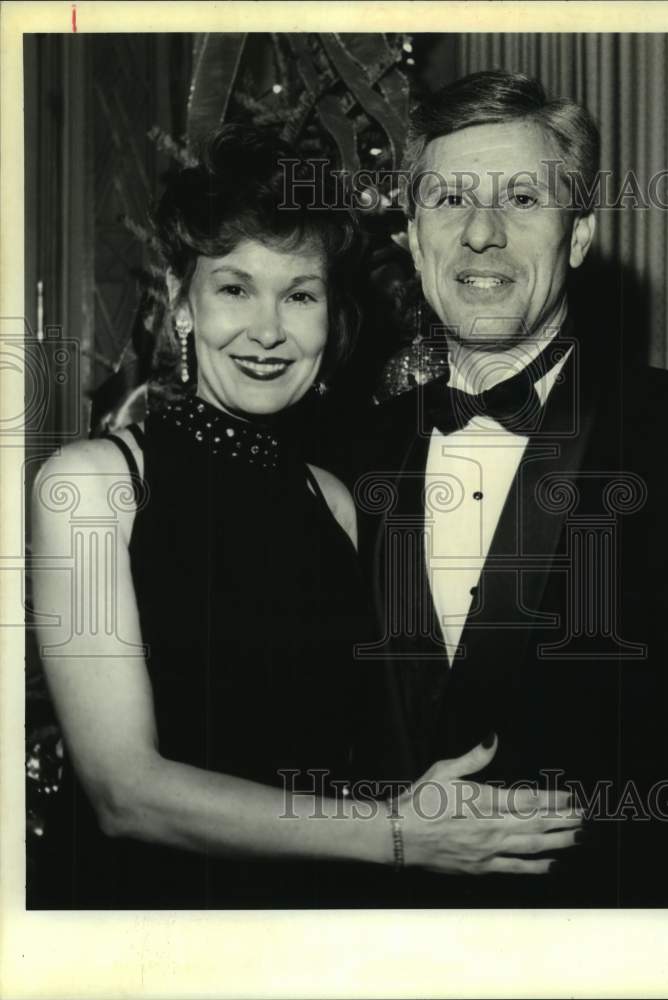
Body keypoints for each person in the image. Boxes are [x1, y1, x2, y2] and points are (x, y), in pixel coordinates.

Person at [30, 124, 583, 909]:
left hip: (317, 924)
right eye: (233, 288)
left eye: (299, 295)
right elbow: (127, 793)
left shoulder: (338, 500)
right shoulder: (91, 486)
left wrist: (420, 805)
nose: (266, 330)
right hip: (147, 924)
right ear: (180, 306)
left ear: (331, 319)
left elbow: (369, 740)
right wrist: (396, 836)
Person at [345, 72, 668, 907]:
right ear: (412, 237)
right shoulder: (344, 457)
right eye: (448, 200)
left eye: (522, 199)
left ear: (577, 236)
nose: (481, 234)